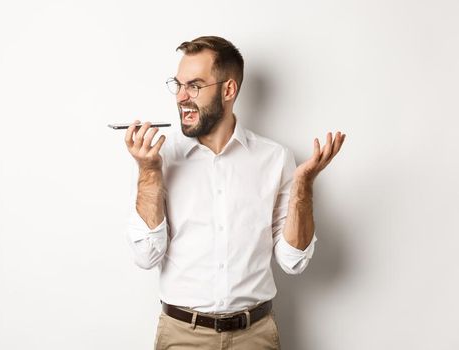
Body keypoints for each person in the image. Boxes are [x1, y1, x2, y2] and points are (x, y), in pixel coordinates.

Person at [123, 36, 346, 349]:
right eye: (179, 84)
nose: (182, 97)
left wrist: (303, 188)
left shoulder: (275, 158)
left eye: (195, 86)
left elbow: (293, 261)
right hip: (182, 336)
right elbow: (146, 256)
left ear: (228, 90)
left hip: (254, 336)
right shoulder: (159, 157)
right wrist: (148, 173)